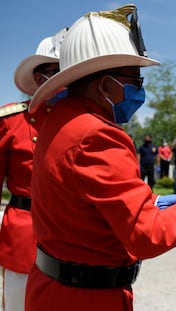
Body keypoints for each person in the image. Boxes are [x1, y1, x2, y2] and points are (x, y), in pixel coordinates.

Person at [24, 5, 176, 311]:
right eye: (135, 81)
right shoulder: (97, 135)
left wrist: (152, 203)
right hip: (88, 298)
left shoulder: (59, 121)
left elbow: (85, 202)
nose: (140, 91)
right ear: (104, 85)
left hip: (53, 289)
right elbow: (147, 235)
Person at [0, 28, 68, 311]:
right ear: (41, 78)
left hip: (71, 232)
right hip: (24, 236)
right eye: (60, 72)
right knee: (19, 305)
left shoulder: (84, 120)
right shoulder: (11, 121)